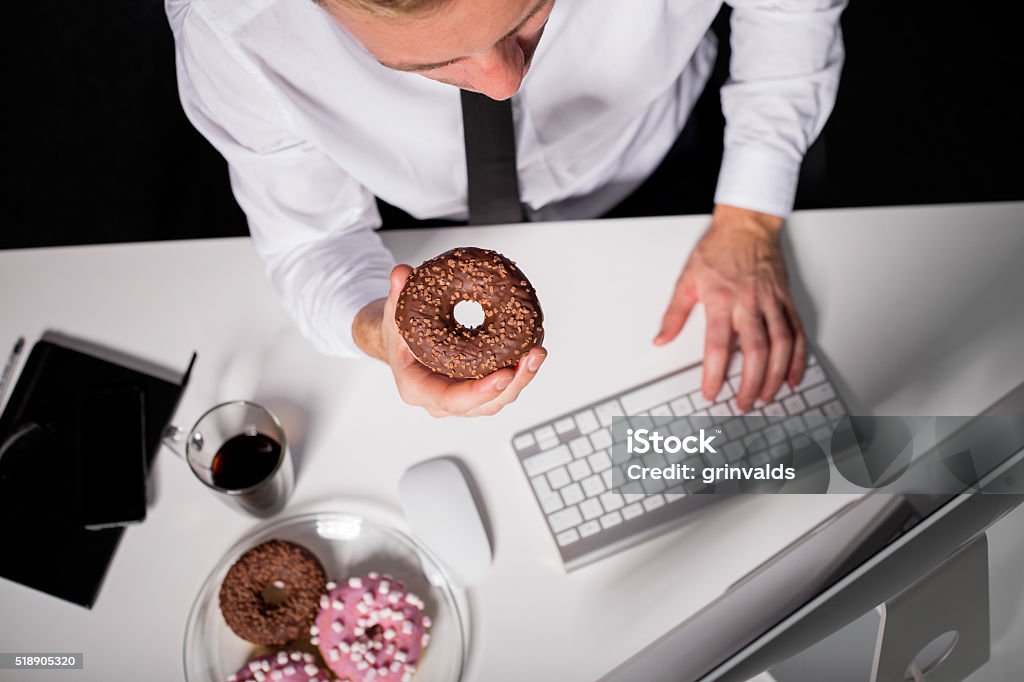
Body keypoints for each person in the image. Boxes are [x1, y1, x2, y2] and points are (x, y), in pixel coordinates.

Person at [166, 0, 845, 417]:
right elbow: (311, 242)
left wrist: (749, 216)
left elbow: (789, 7)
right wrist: (383, 331)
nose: (503, 84)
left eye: (529, 17)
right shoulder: (233, 26)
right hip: (424, 225)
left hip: (668, 161)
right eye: (430, 64)